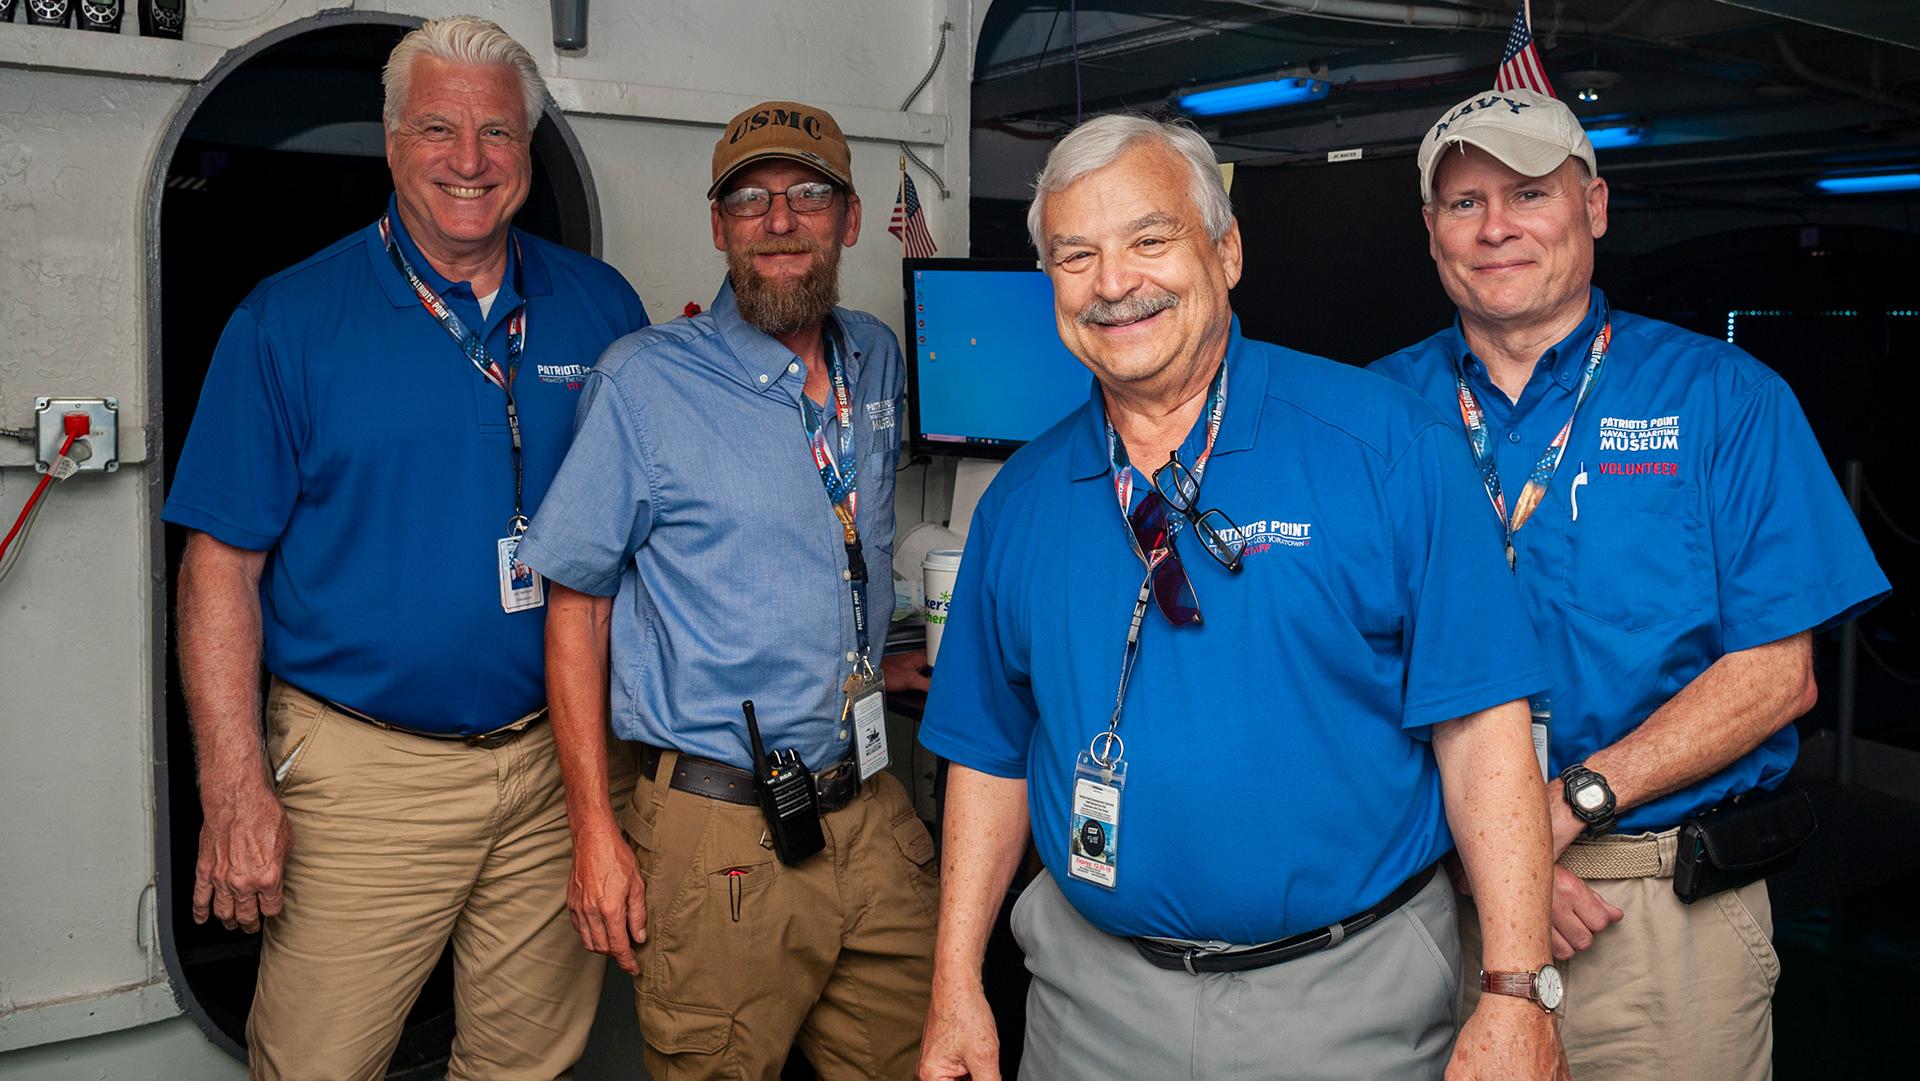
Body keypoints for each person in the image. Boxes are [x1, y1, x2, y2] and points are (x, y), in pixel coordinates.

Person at [916, 113, 1568, 1081]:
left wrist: (1517, 989)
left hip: (1348, 1002)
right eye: (1075, 254)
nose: (1113, 283)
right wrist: (956, 983)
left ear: (1224, 250)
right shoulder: (1020, 502)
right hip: (1087, 1006)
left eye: (1149, 240)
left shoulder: (1388, 446)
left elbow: (1482, 732)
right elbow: (988, 756)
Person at [161, 17, 649, 1079]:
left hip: (556, 761)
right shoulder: (286, 322)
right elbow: (218, 569)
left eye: (498, 134)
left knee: (527, 1064)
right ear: (390, 142)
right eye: (438, 127)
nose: (468, 161)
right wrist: (236, 788)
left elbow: (648, 537)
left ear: (528, 149)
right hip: (363, 772)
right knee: (319, 1063)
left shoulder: (602, 309)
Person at [1370, 87, 1890, 1080]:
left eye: (1528, 193)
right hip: (1427, 904)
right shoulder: (1371, 412)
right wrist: (1483, 854)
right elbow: (1335, 667)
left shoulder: (1724, 399)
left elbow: (1778, 676)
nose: (1496, 228)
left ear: (1595, 208)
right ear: (1431, 230)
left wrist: (1566, 807)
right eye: (1465, 203)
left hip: (1646, 916)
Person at [516, 99, 937, 1081]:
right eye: (749, 201)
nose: (778, 220)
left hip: (869, 805)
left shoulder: (876, 355)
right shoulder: (644, 382)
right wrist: (594, 835)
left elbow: (837, 541)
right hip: (724, 826)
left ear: (846, 215)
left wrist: (880, 652)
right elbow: (576, 607)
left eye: (806, 195)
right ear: (719, 228)